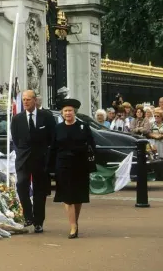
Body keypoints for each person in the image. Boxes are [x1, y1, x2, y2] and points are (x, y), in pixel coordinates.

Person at [47, 98, 95, 239]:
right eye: (65, 111)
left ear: (75, 112)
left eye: (70, 111)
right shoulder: (57, 128)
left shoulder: (83, 126)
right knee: (67, 197)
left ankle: (75, 221)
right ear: (62, 113)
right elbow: (53, 148)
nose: (68, 113)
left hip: (80, 165)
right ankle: (73, 225)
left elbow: (92, 144)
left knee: (78, 196)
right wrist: (50, 167)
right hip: (63, 165)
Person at [11, 90, 56, 233]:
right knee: (21, 184)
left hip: (41, 159)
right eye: (24, 99)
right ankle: (28, 216)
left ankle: (38, 221)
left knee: (39, 191)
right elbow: (16, 139)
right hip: (23, 159)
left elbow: (52, 137)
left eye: (28, 99)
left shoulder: (46, 117)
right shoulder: (17, 119)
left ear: (35, 100)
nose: (25, 102)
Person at [148, 109, 163, 179]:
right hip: (156, 143)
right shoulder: (152, 124)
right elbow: (149, 133)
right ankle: (158, 177)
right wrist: (154, 136)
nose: (156, 117)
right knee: (157, 159)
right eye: (155, 116)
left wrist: (162, 136)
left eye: (157, 116)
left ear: (161, 117)